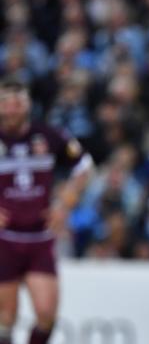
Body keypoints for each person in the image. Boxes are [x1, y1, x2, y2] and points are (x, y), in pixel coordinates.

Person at [0, 79, 93, 344]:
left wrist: (65, 203)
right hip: (4, 239)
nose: (12, 108)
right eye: (6, 102)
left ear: (28, 105)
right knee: (5, 319)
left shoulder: (49, 135)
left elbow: (83, 166)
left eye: (18, 102)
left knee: (46, 316)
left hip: (40, 237)